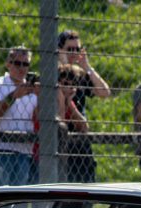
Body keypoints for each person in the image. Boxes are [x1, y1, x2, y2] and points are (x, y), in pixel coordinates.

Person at [58, 30, 111, 182]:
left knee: (86, 188)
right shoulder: (53, 74)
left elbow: (104, 92)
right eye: (70, 49)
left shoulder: (79, 75)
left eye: (77, 49)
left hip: (80, 137)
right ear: (60, 50)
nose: (74, 53)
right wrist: (63, 63)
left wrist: (87, 66)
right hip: (59, 139)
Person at [0, 46, 39, 189]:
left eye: (25, 64)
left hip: (24, 150)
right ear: (8, 64)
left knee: (19, 202)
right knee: (1, 196)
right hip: (1, 149)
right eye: (17, 63)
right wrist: (14, 96)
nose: (21, 68)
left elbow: (40, 120)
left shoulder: (32, 87)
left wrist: (42, 96)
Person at [54, 64, 90, 181]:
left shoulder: (68, 102)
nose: (70, 88)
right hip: (48, 154)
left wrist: (68, 103)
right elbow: (60, 125)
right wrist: (61, 99)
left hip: (67, 156)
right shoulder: (51, 100)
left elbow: (84, 127)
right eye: (65, 84)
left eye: (73, 85)